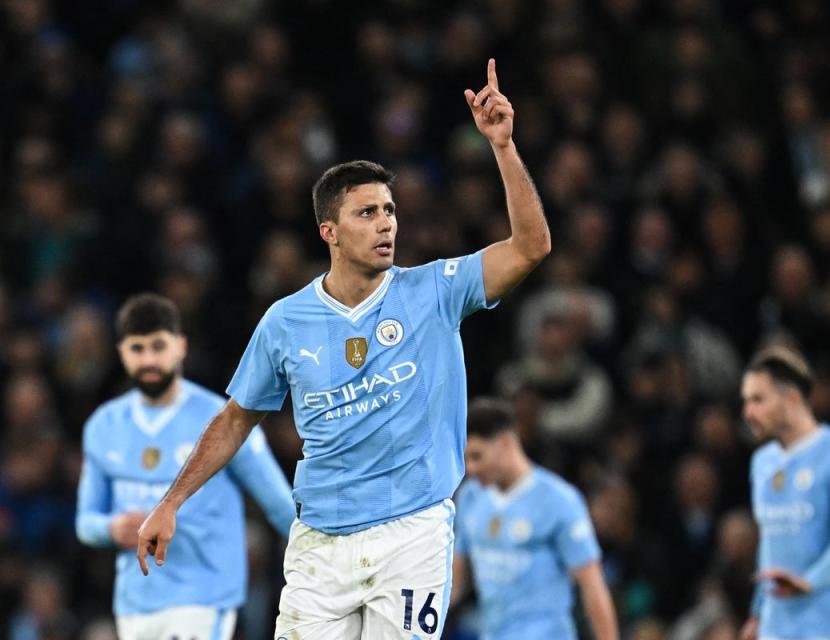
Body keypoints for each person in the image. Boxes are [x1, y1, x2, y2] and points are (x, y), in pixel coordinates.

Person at [136, 58, 551, 639]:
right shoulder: (285, 322)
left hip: (412, 534)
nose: (386, 224)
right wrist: (171, 501)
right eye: (367, 213)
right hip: (320, 543)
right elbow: (235, 419)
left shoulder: (435, 289)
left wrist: (503, 147)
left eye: (389, 210)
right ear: (329, 231)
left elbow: (531, 247)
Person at [76, 293, 295, 639]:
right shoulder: (103, 426)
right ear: (121, 352)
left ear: (180, 346)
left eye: (158, 347)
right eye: (137, 349)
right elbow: (85, 522)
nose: (149, 359)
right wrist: (112, 528)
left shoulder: (222, 422)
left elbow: (280, 505)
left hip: (204, 596)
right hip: (135, 602)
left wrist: (327, 559)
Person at [739, 347, 830, 640]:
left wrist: (809, 582)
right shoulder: (762, 463)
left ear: (791, 398)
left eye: (758, 400)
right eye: (746, 401)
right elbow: (770, 541)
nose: (748, 412)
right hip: (780, 630)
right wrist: (758, 612)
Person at [451, 397, 618, 639]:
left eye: (477, 456)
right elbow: (455, 583)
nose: (471, 468)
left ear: (506, 444)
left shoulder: (559, 500)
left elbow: (592, 585)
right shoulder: (469, 498)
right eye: (466, 459)